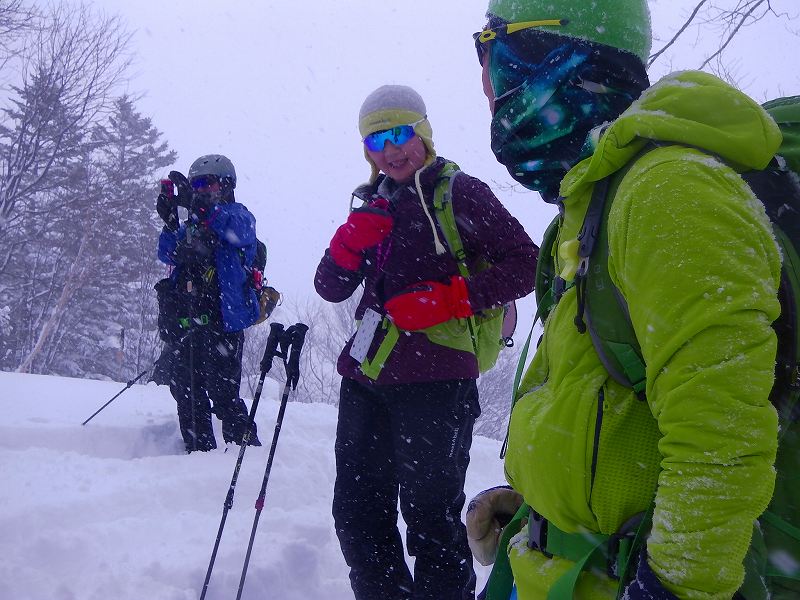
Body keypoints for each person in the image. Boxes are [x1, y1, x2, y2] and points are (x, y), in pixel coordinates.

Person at [467, 1, 784, 599]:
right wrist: (541, 504)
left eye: (495, 51)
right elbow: (603, 406)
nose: (485, 84)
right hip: (560, 571)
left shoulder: (669, 190)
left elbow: (722, 436)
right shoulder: (591, 204)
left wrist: (673, 589)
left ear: (560, 53)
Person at [314, 85, 538, 600]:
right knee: (357, 513)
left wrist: (450, 300)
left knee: (430, 520)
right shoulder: (373, 202)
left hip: (436, 382)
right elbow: (330, 288)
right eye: (376, 140)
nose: (391, 150)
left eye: (400, 134)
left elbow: (527, 263)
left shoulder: (459, 193)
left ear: (424, 133)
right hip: (365, 378)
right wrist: (347, 243)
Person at [152, 154, 263, 453]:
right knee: (186, 388)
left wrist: (202, 208)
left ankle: (244, 452)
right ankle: (199, 452)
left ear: (226, 185)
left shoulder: (238, 216)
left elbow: (239, 231)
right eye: (196, 185)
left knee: (223, 392)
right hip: (189, 319)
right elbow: (166, 253)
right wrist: (171, 223)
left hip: (223, 322)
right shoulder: (192, 225)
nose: (201, 190)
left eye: (207, 183)